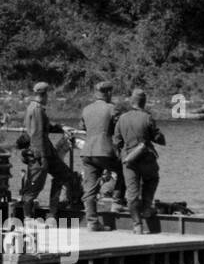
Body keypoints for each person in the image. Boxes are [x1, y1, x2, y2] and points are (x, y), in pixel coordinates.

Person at [20, 82, 80, 220]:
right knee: (35, 185)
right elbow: (36, 134)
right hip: (40, 153)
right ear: (44, 95)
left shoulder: (37, 108)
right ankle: (27, 218)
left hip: (47, 152)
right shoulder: (36, 110)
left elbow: (45, 127)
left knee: (64, 175)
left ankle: (52, 212)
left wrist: (61, 128)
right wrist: (40, 157)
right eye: (47, 95)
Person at [113, 89, 167, 235]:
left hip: (129, 160)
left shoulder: (122, 119)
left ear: (131, 102)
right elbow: (159, 138)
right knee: (152, 179)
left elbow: (117, 141)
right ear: (144, 102)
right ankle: (147, 207)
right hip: (146, 158)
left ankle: (137, 225)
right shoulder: (147, 118)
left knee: (132, 193)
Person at [78, 81, 121, 232]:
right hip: (104, 151)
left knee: (90, 188)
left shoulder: (87, 109)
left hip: (87, 151)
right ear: (108, 93)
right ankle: (117, 202)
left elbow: (82, 127)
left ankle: (92, 222)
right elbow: (119, 127)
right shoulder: (111, 108)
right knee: (124, 169)